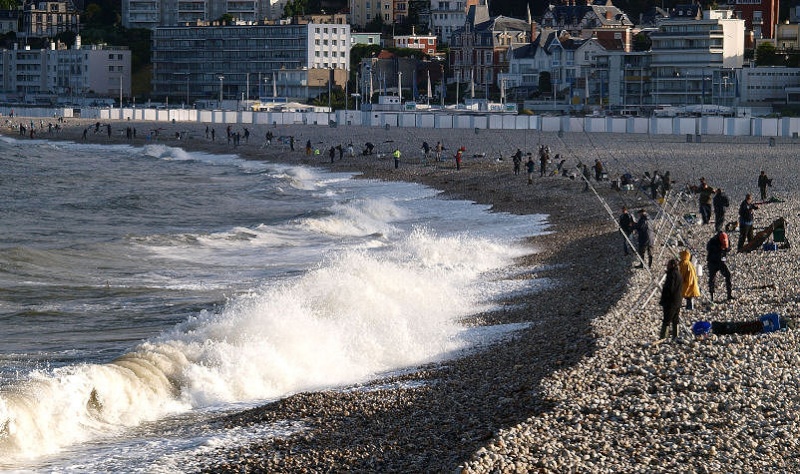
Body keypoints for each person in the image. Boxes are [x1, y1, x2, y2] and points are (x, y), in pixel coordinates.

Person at [659, 258, 684, 340]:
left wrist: (664, 298)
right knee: (675, 319)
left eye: (668, 264)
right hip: (678, 301)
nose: (667, 266)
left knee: (666, 320)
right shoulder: (679, 274)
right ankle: (675, 336)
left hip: (670, 302)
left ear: (672, 265)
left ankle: (663, 337)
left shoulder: (671, 274)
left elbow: (670, 288)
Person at [707, 230, 732, 302]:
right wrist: (718, 249)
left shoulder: (727, 239)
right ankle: (712, 297)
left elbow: (729, 248)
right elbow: (708, 248)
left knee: (728, 275)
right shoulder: (713, 241)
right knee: (712, 278)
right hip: (712, 262)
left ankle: (729, 295)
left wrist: (726, 249)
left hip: (721, 261)